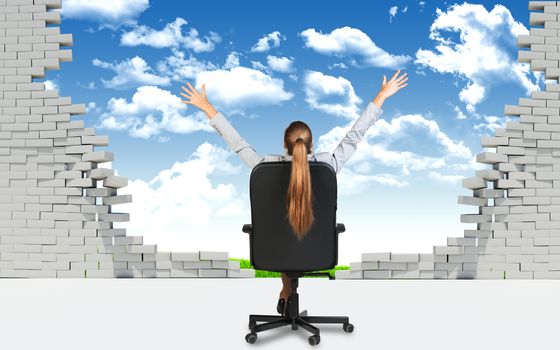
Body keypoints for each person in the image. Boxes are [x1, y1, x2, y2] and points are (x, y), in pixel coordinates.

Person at [179, 69, 407, 316]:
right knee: (292, 228)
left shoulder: (263, 168)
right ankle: (287, 292)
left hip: (274, 250)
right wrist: (381, 96)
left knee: (282, 229)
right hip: (317, 250)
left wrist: (207, 106)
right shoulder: (327, 166)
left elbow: (237, 142)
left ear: (284, 145)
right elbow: (355, 135)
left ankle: (285, 290)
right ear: (312, 145)